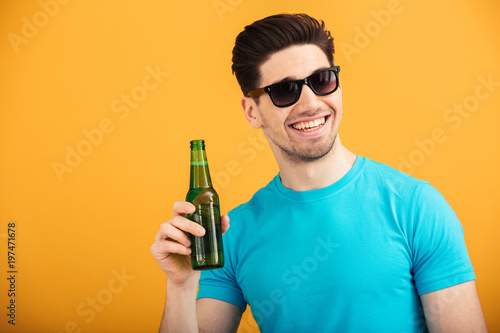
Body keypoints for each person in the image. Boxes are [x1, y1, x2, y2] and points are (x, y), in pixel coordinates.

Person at [150, 13, 488, 332]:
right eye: (284, 90)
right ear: (252, 112)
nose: (311, 103)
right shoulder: (233, 233)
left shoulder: (416, 206)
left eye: (322, 80)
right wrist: (180, 286)